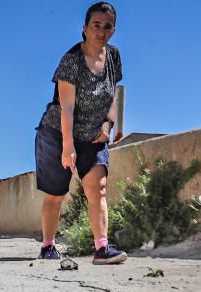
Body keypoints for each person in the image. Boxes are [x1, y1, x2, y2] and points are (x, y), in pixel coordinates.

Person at [35, 2, 127, 264]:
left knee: (97, 188)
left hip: (93, 135)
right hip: (57, 132)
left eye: (107, 26)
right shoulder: (71, 61)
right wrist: (67, 146)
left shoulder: (113, 57)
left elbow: (113, 94)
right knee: (56, 193)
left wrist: (109, 125)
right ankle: (48, 245)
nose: (101, 31)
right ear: (85, 28)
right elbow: (66, 107)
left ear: (113, 30)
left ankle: (101, 249)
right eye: (96, 25)